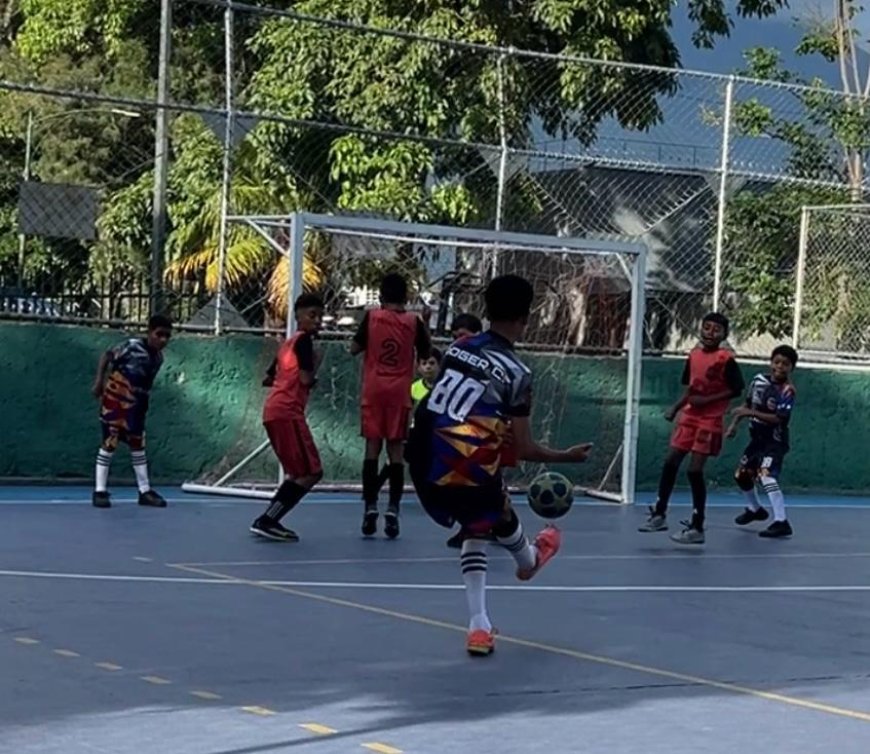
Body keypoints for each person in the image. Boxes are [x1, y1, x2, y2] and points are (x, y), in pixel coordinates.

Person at [406, 274, 592, 656]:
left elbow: (445, 404)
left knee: (480, 520)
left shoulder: (457, 349)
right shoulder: (518, 373)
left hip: (422, 453)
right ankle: (522, 569)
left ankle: (484, 618)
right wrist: (567, 457)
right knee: (487, 517)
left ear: (486, 310)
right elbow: (525, 448)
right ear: (527, 315)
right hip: (467, 465)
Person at [639, 312, 744, 544]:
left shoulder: (725, 360)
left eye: (716, 329)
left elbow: (736, 389)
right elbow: (691, 388)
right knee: (671, 461)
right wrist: (676, 408)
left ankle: (698, 527)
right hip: (689, 416)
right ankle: (659, 513)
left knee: (694, 471)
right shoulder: (694, 355)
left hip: (709, 419)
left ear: (724, 334)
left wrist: (707, 401)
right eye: (706, 327)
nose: (710, 332)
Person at [350, 273, 431, 539]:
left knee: (372, 449)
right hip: (399, 392)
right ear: (405, 296)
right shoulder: (413, 322)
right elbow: (427, 353)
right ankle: (393, 509)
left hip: (374, 390)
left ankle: (369, 506)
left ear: (381, 296)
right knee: (396, 452)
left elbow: (353, 348)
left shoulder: (372, 318)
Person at [250, 294, 325, 542]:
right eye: (311, 315)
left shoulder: (288, 344)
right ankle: (268, 519)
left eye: (319, 316)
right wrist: (315, 367)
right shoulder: (303, 342)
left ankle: (269, 518)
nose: (317, 320)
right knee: (311, 472)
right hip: (287, 412)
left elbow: (268, 379)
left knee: (298, 472)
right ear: (298, 317)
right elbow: (305, 380)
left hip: (274, 411)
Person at [91, 315, 173, 508]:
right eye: (159, 334)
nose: (162, 340)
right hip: (115, 402)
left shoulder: (158, 358)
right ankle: (99, 490)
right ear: (149, 332)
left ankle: (144, 491)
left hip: (136, 406)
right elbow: (107, 356)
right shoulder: (132, 346)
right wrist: (99, 382)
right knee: (109, 443)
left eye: (167, 336)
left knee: (138, 445)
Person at [726, 345, 798, 538]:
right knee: (741, 475)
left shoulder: (787, 391)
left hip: (774, 442)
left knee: (766, 476)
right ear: (771, 362)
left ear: (791, 368)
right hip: (756, 440)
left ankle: (781, 521)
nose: (780, 367)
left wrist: (749, 413)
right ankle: (755, 509)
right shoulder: (758, 380)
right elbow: (747, 405)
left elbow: (779, 418)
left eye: (785, 364)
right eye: (777, 362)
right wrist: (734, 424)